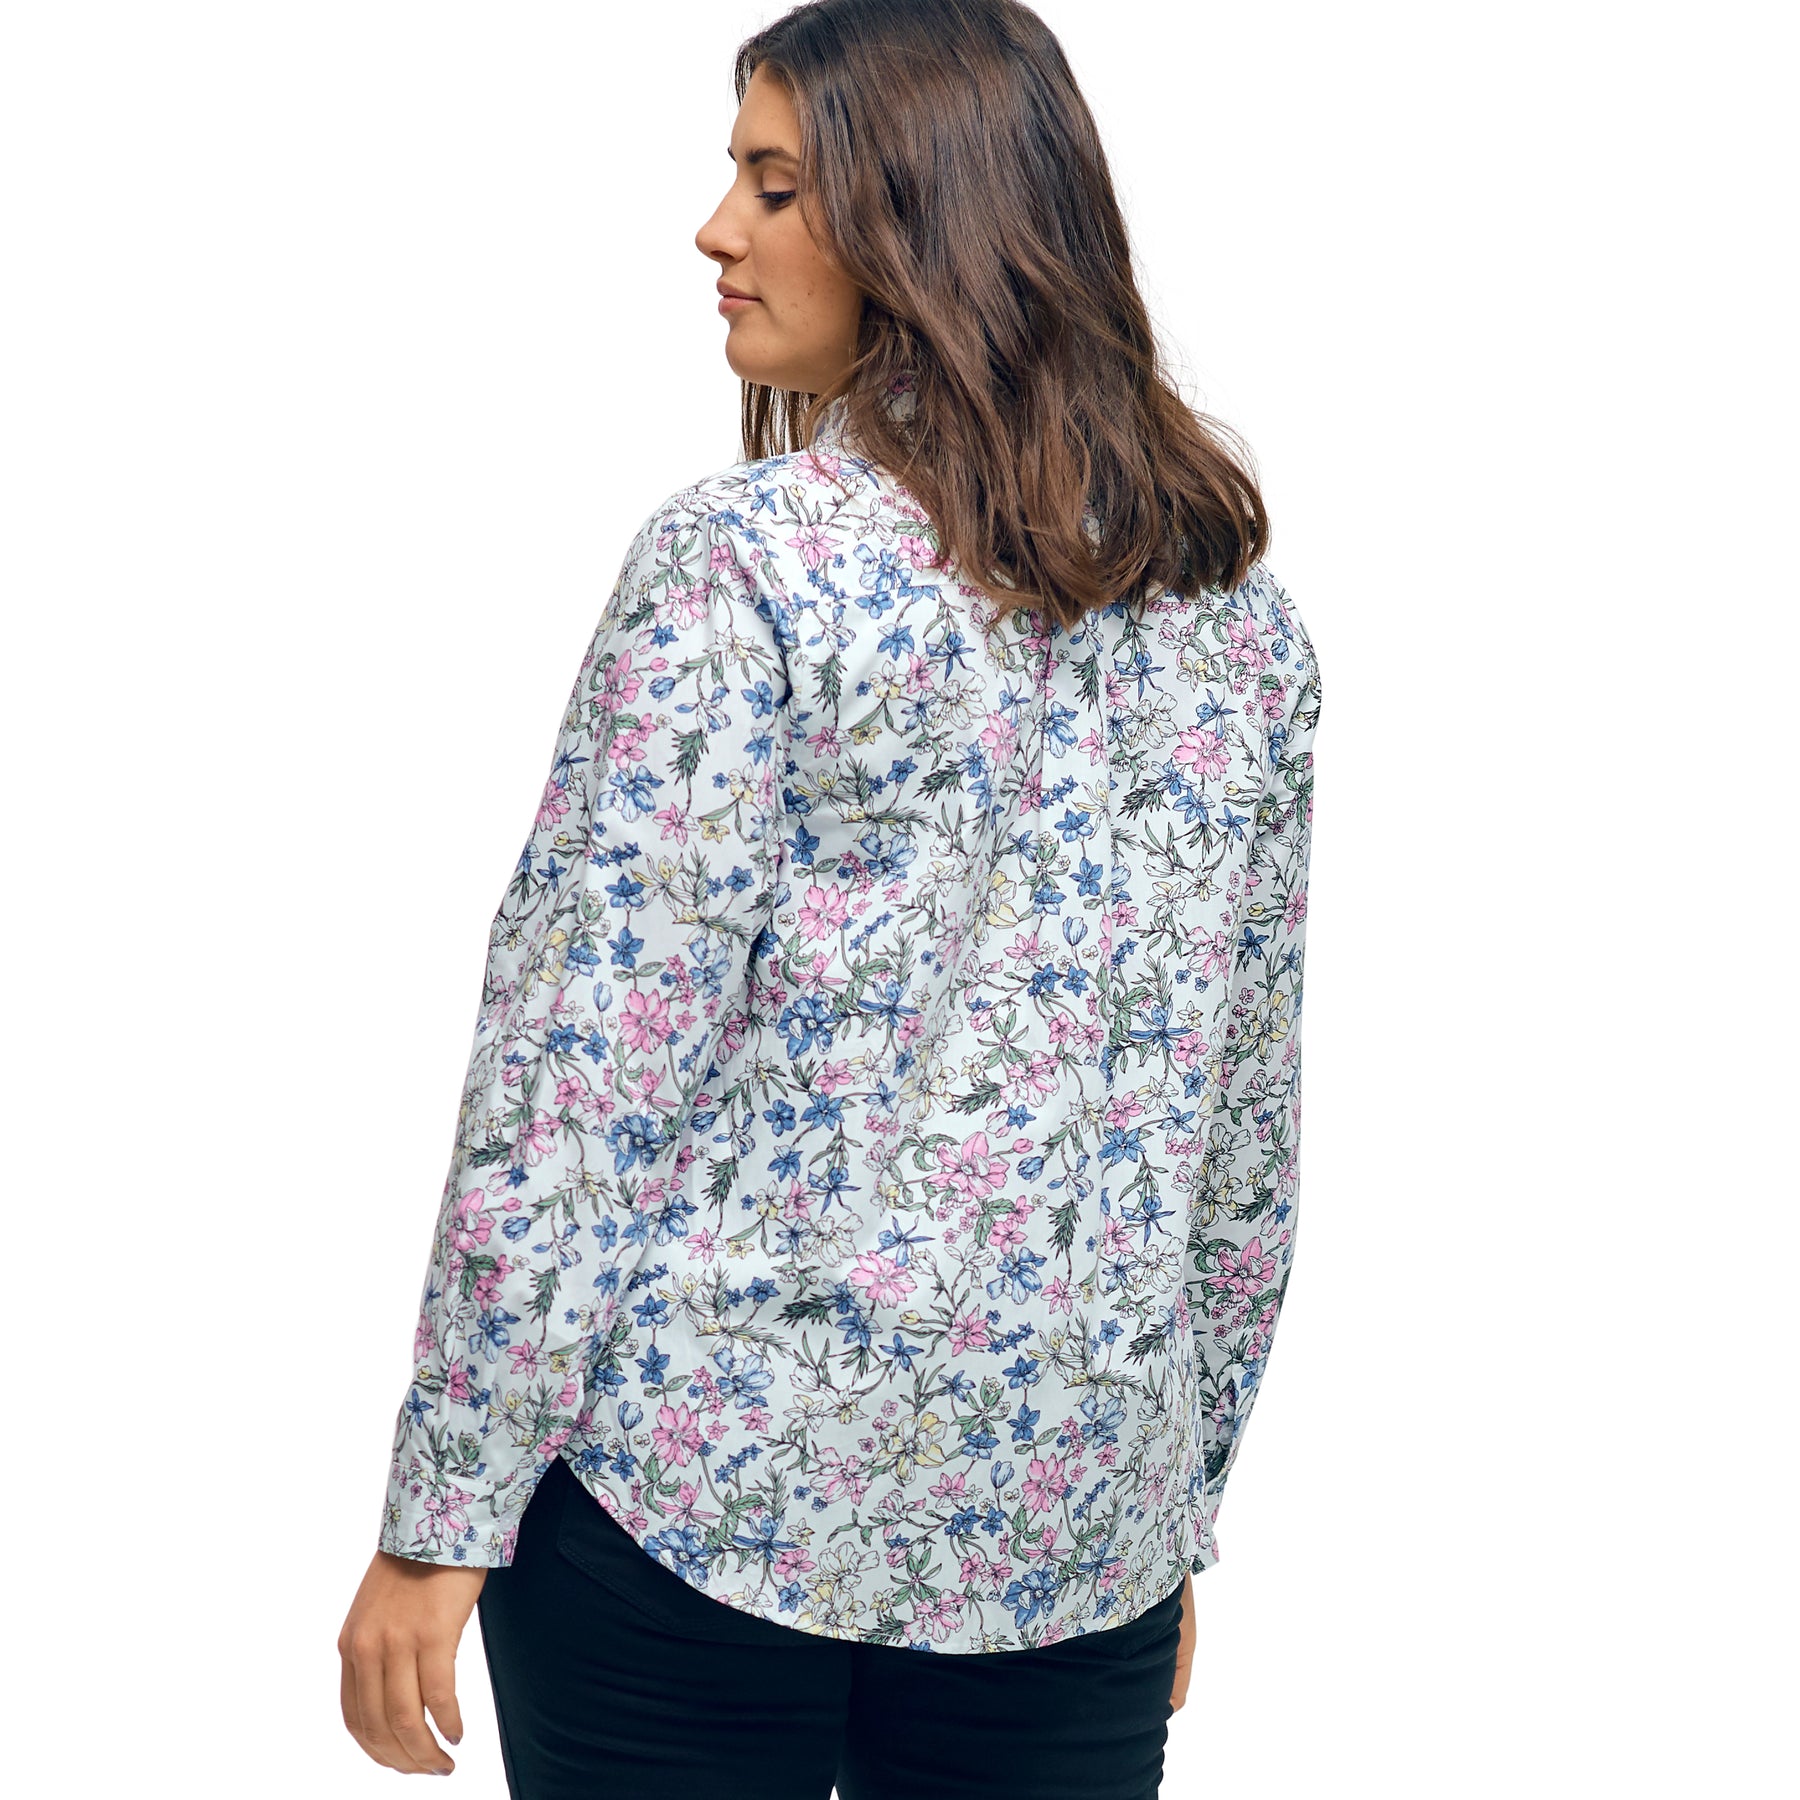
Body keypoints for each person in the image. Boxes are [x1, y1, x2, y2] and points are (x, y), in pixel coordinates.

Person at [337, 2, 1322, 1794]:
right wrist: (1170, 1502)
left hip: (691, 1524)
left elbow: (581, 1074)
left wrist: (442, 1510)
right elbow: (1240, 1140)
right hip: (1065, 1535)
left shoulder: (743, 565)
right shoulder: (1236, 623)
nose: (716, 228)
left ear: (924, 219)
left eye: (776, 186)